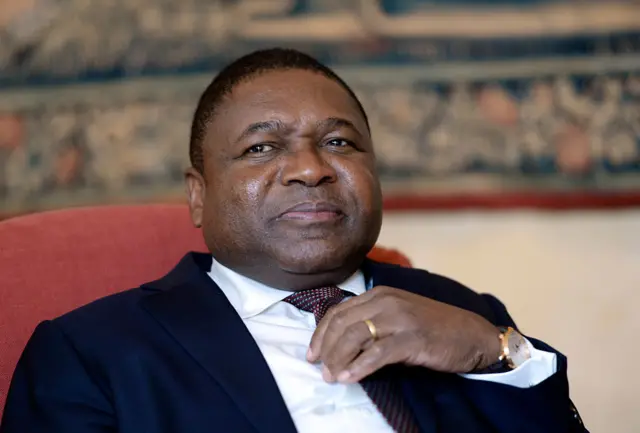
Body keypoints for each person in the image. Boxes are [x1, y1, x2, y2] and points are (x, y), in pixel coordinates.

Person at [1, 48, 587, 433]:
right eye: (261, 148)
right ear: (198, 196)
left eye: (339, 144)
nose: (310, 169)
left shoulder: (465, 312)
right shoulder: (90, 350)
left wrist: (497, 351)